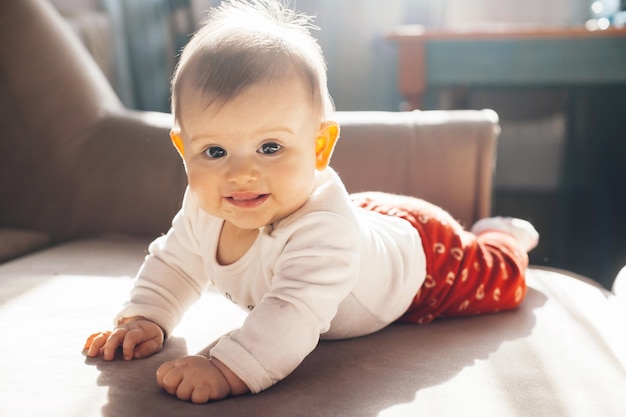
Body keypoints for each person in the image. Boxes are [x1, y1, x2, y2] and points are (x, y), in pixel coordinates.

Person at [84, 0, 539, 404]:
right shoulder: (206, 205)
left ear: (319, 148)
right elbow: (177, 264)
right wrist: (146, 316)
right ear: (185, 152)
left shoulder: (323, 233)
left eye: (270, 147)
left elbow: (290, 313)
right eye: (215, 152)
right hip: (364, 221)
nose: (241, 174)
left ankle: (500, 233)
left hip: (424, 262)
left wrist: (227, 368)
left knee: (502, 278)